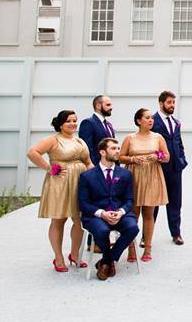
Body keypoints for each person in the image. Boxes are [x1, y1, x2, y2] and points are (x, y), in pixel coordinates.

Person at [27, 110, 92, 272]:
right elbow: (32, 152)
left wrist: (98, 178)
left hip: (80, 182)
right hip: (60, 183)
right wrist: (49, 168)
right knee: (59, 220)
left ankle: (75, 254)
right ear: (61, 123)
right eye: (69, 121)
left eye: (75, 120)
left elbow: (88, 162)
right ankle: (58, 257)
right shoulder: (53, 140)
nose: (72, 123)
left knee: (80, 220)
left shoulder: (80, 141)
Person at [78, 138, 139, 281]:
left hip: (120, 213)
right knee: (102, 230)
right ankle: (109, 262)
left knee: (132, 228)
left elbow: (129, 200)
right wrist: (102, 213)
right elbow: (83, 203)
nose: (118, 151)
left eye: (118, 148)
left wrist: (121, 212)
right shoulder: (87, 176)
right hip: (96, 215)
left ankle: (106, 261)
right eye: (113, 148)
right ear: (102, 152)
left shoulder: (125, 174)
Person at [119, 109, 169, 263]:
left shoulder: (158, 137)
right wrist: (133, 159)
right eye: (147, 118)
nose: (151, 120)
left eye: (151, 118)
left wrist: (158, 156)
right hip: (134, 176)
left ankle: (148, 247)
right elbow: (120, 157)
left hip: (152, 175)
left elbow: (167, 157)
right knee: (133, 214)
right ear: (139, 120)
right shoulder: (130, 138)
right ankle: (131, 248)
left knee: (149, 213)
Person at [153, 91, 188, 245]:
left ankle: (176, 233)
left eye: (173, 102)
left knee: (175, 202)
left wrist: (182, 159)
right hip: (158, 168)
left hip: (175, 168)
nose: (172, 105)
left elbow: (179, 142)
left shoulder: (176, 122)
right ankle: (146, 236)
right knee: (153, 203)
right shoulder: (152, 121)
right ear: (161, 104)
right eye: (169, 102)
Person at [78, 95, 115, 167]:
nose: (111, 108)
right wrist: (93, 167)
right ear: (98, 106)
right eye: (108, 105)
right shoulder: (88, 123)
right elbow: (87, 148)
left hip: (110, 167)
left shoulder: (109, 125)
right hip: (95, 167)